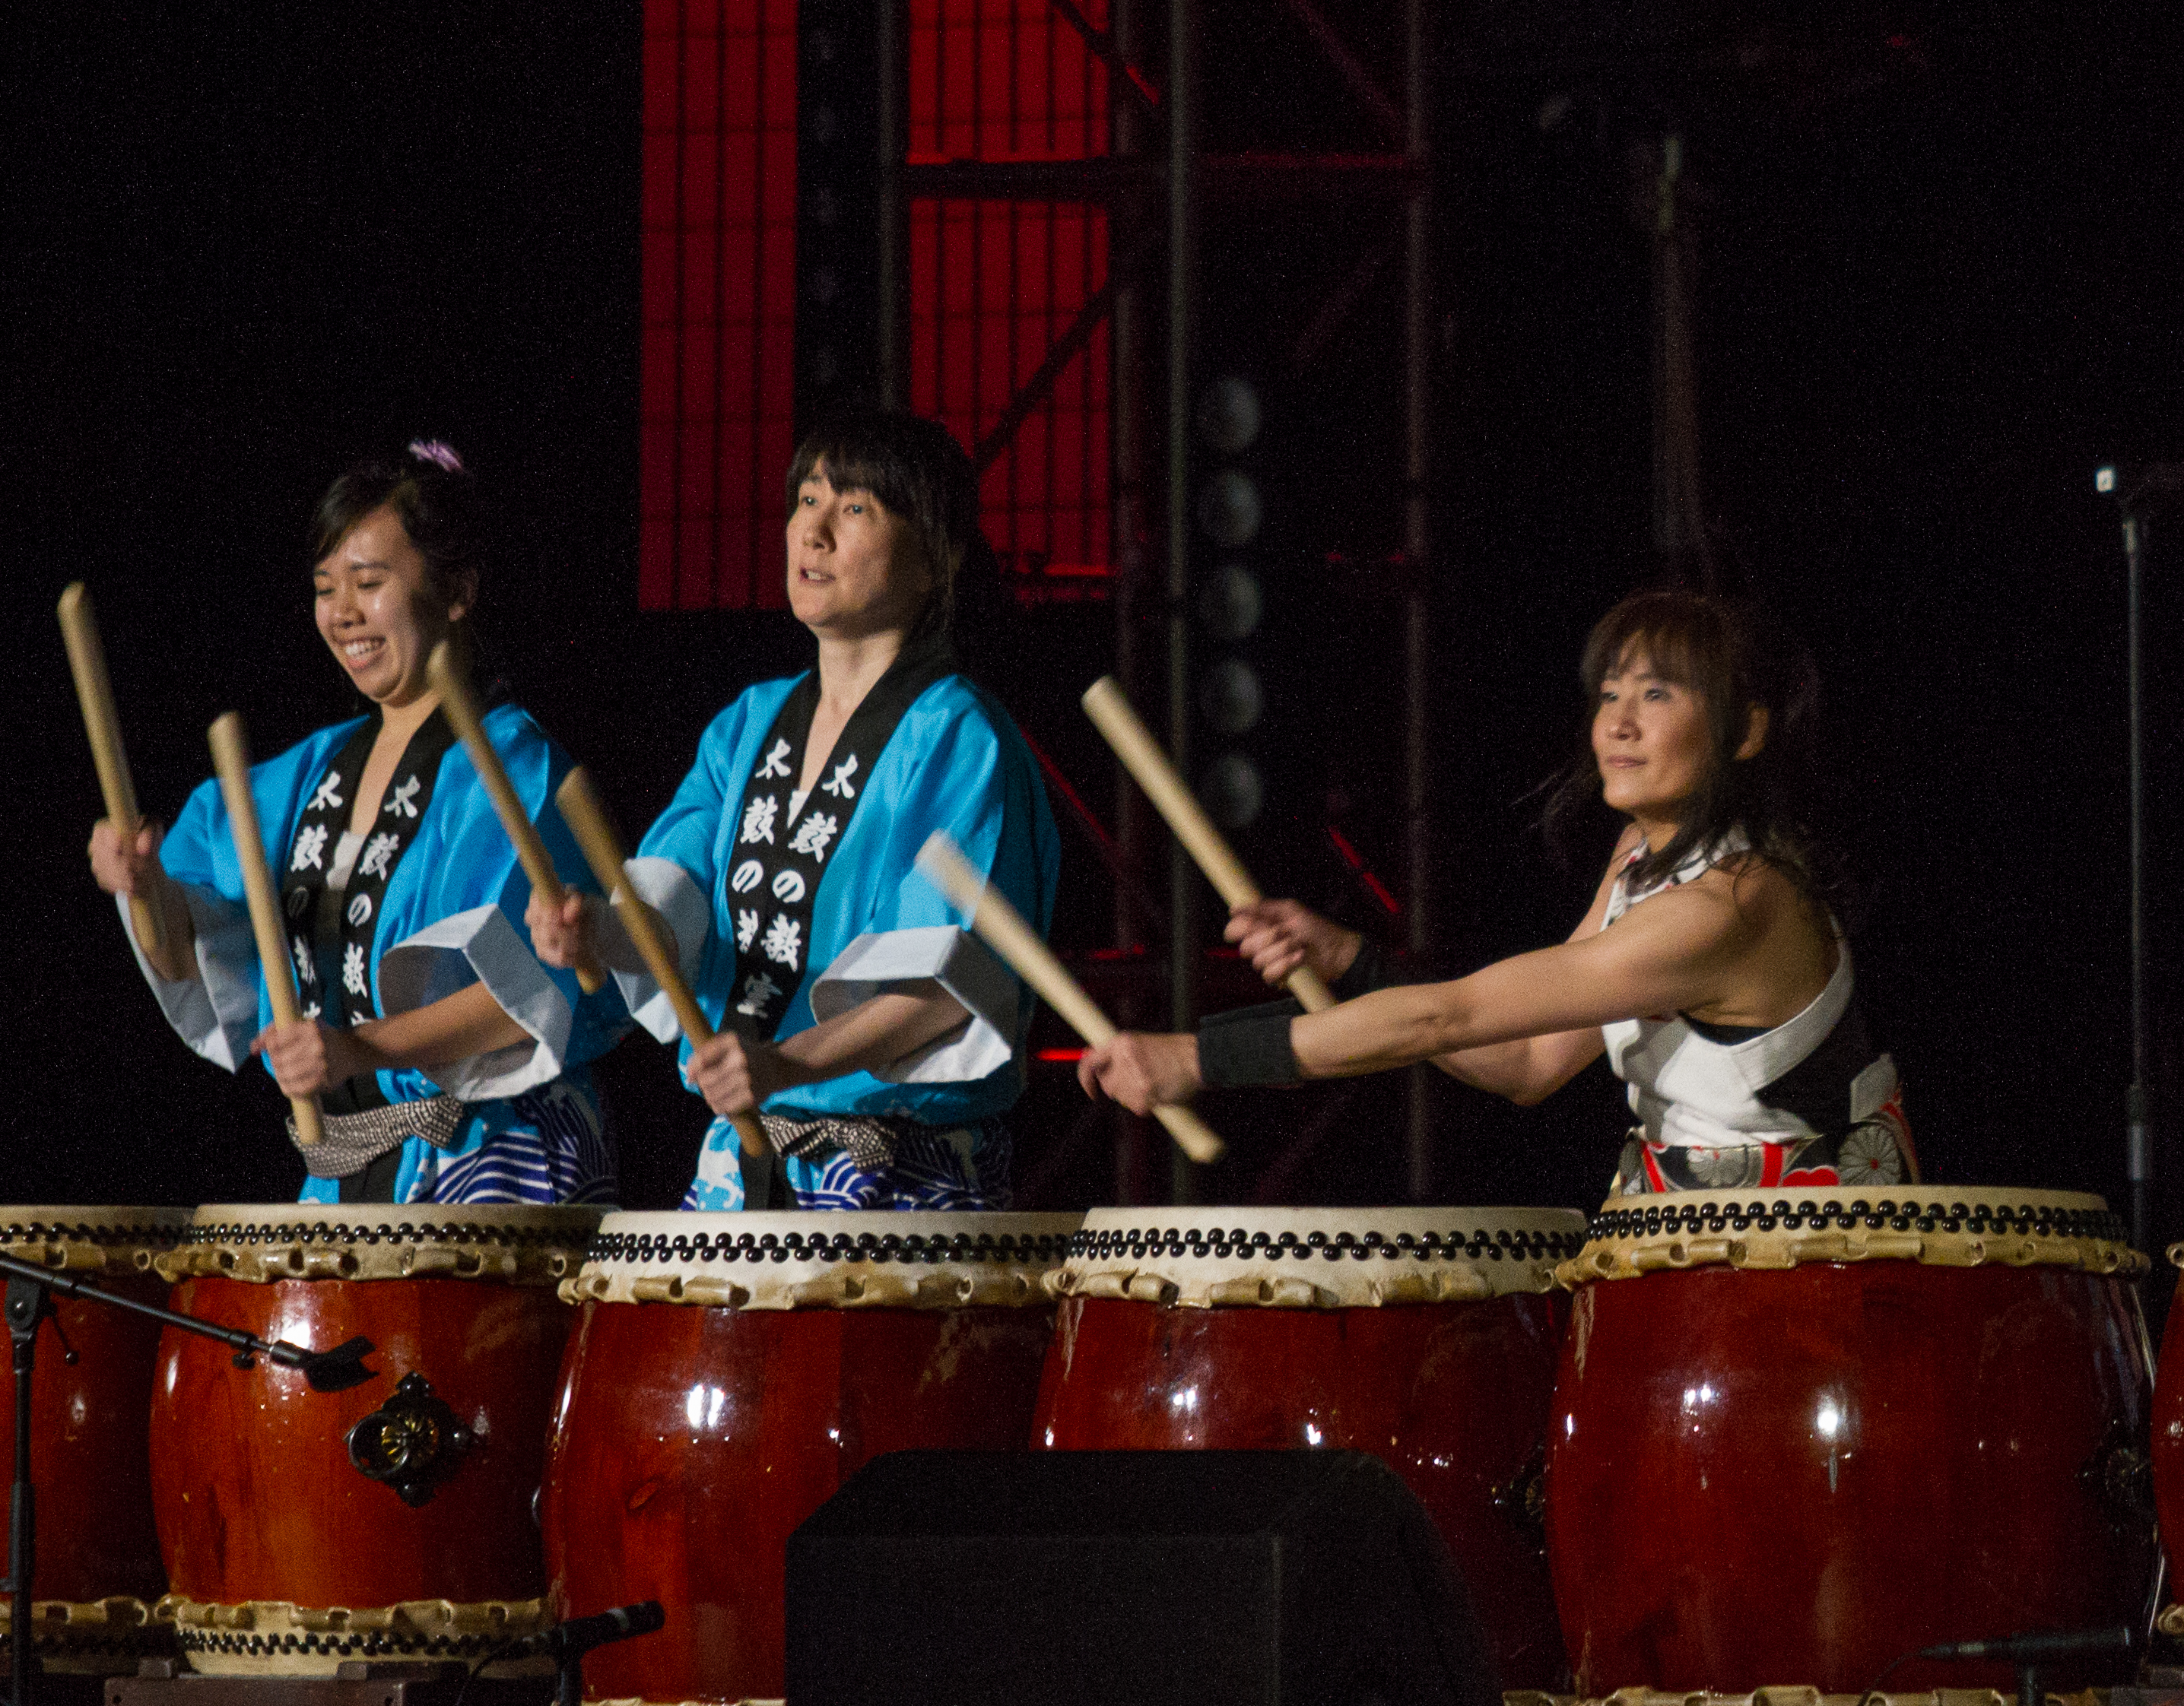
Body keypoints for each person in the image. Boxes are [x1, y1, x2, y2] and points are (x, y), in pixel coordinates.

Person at [1078, 588, 1918, 1193]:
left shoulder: (1733, 903)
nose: (1617, 722)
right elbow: (1526, 1061)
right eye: (1610, 693)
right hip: (1695, 1250)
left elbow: (1453, 1016)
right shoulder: (1641, 858)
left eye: (1657, 693)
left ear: (1748, 729)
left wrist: (1197, 1057)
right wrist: (1355, 959)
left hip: (1814, 1269)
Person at [529, 411, 1058, 1210]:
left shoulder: (957, 736)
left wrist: (791, 1063)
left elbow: (952, 984)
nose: (812, 532)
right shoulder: (749, 724)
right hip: (741, 1159)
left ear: (936, 560)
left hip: (895, 1173)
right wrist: (596, 930)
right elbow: (674, 896)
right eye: (806, 500)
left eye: (853, 510)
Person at [90, 444, 620, 1204]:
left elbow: (540, 987)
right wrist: (142, 888)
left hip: (496, 1155)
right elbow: (183, 958)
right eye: (326, 587)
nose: (342, 613)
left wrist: (357, 1047)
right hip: (346, 1169)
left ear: (458, 591)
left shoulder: (517, 772)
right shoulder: (298, 778)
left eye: (370, 584)